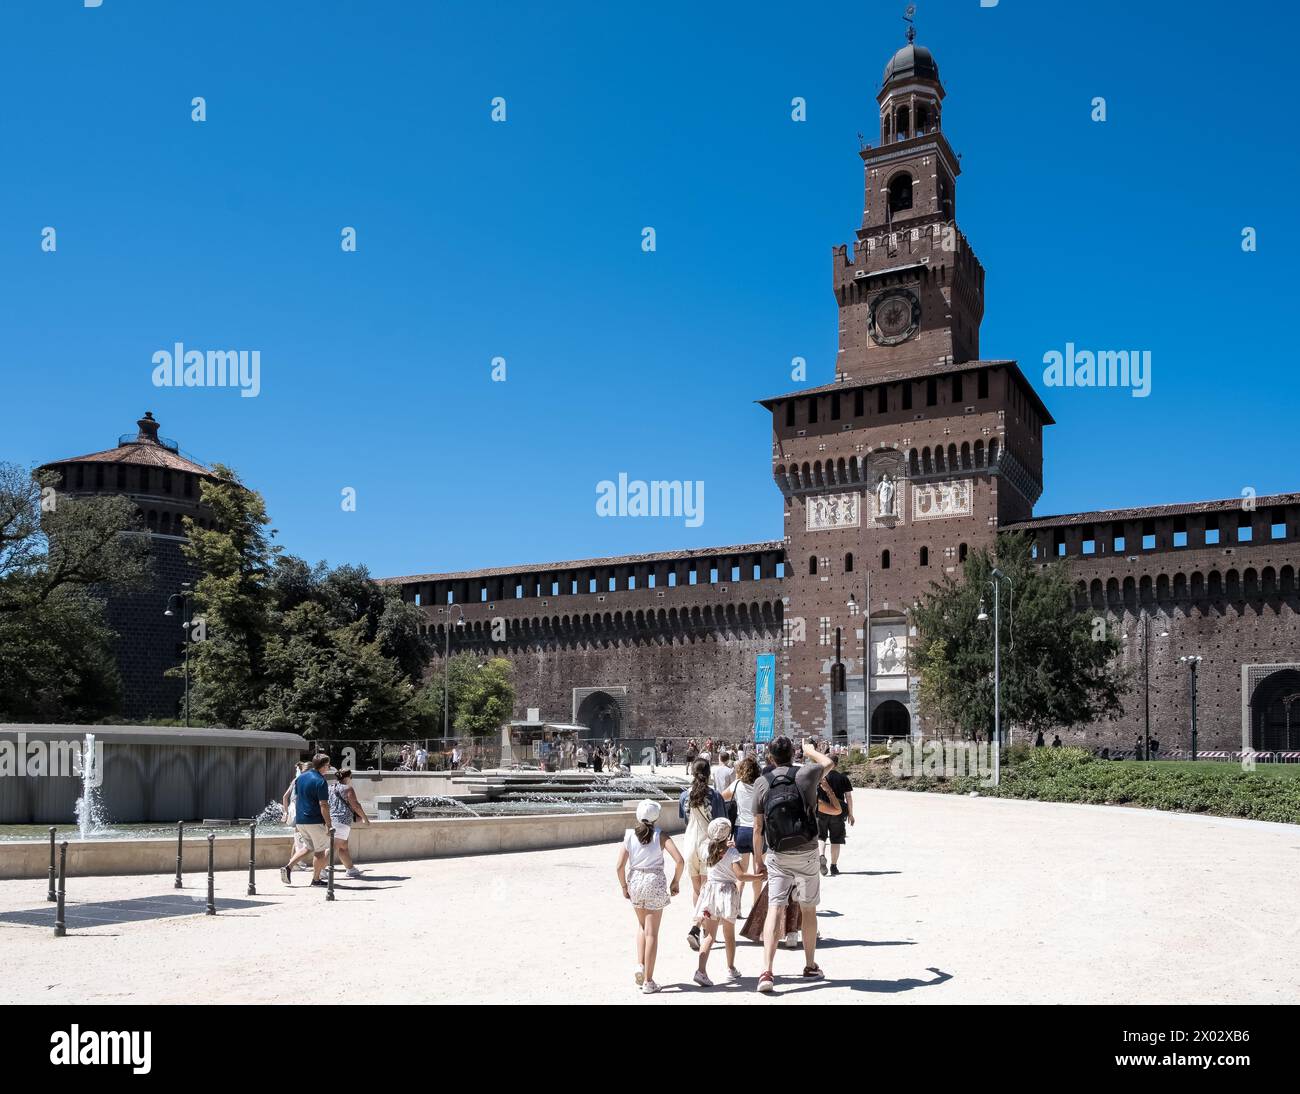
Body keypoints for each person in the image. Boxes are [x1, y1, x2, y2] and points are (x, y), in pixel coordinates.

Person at [751, 737, 841, 993]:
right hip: (807, 851)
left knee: (775, 908)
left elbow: (757, 827)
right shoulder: (806, 773)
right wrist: (810, 750)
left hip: (778, 854)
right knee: (808, 909)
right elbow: (830, 762)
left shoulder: (761, 782)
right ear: (793, 753)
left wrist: (758, 860)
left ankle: (767, 971)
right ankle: (810, 965)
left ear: (770, 757)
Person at [615, 800, 684, 994]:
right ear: (656, 817)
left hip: (635, 880)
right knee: (652, 933)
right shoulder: (661, 835)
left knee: (642, 925)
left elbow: (619, 866)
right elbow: (680, 861)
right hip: (654, 881)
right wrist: (675, 882)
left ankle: (640, 965)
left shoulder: (629, 835)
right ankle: (648, 981)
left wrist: (624, 886)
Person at [691, 817, 761, 987]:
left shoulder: (707, 849)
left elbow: (715, 850)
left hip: (710, 893)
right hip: (726, 894)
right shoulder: (732, 853)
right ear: (727, 834)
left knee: (709, 935)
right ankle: (730, 968)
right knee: (729, 935)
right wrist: (758, 877)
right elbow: (740, 876)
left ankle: (701, 970)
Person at [679, 758, 727, 952]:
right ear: (709, 774)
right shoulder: (715, 796)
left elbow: (685, 820)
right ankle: (701, 928)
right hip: (708, 845)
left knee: (697, 889)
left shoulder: (684, 796)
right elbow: (721, 823)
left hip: (690, 843)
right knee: (708, 890)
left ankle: (701, 927)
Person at [281, 753, 332, 887]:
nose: (329, 768)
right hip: (315, 820)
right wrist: (329, 824)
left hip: (301, 820)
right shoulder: (321, 781)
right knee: (320, 851)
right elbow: (323, 804)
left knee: (309, 847)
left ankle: (288, 867)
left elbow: (298, 798)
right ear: (323, 766)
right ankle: (316, 879)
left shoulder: (300, 778)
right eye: (328, 765)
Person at [723, 755, 763, 915]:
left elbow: (722, 796)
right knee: (758, 871)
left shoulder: (737, 784)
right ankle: (756, 907)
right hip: (758, 829)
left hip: (741, 831)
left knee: (741, 873)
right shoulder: (761, 784)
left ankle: (737, 907)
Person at [328, 768, 370, 879]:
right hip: (342, 821)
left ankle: (351, 869)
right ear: (347, 777)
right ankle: (321, 869)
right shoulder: (348, 788)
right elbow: (356, 805)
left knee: (343, 847)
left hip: (331, 819)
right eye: (351, 777)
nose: (351, 779)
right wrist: (365, 818)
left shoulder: (330, 787)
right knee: (333, 847)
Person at [817, 755, 855, 877]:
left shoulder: (819, 777)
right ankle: (833, 866)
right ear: (837, 764)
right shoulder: (843, 778)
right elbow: (848, 797)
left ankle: (821, 855)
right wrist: (850, 814)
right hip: (838, 813)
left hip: (821, 811)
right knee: (836, 839)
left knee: (821, 837)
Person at [281, 761, 312, 871]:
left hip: (293, 810)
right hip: (300, 810)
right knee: (299, 837)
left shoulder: (295, 780)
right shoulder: (305, 780)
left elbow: (285, 797)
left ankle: (294, 863)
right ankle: (294, 864)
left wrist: (286, 812)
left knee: (297, 837)